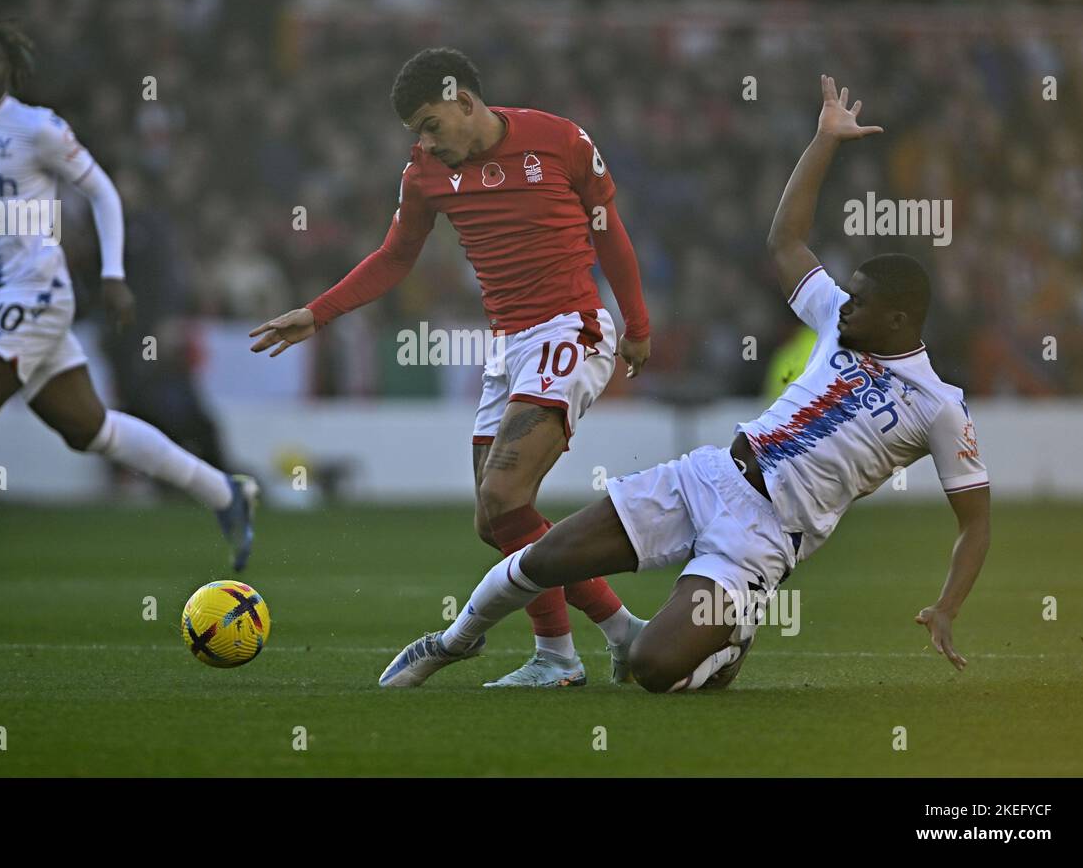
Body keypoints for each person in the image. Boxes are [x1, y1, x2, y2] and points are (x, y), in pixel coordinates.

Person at [380, 76, 991, 692]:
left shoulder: (939, 406)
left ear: (899, 319)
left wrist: (946, 606)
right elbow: (785, 240)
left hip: (762, 537)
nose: (844, 305)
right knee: (543, 559)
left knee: (651, 668)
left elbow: (975, 523)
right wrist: (824, 141)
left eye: (859, 303)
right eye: (847, 296)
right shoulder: (839, 320)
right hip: (711, 476)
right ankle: (451, 643)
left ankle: (729, 640)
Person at [252, 48, 654, 687]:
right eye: (415, 132)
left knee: (504, 495)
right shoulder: (423, 176)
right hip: (510, 347)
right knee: (494, 520)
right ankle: (602, 640)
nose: (425, 142)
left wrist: (637, 323)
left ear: (464, 100)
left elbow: (610, 231)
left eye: (430, 125)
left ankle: (563, 652)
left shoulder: (559, 140)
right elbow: (393, 258)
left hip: (571, 329)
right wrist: (318, 312)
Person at [0, 23, 258, 620]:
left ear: (11, 69)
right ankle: (225, 492)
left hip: (39, 290)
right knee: (91, 431)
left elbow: (103, 193)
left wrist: (115, 274)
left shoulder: (38, 127)